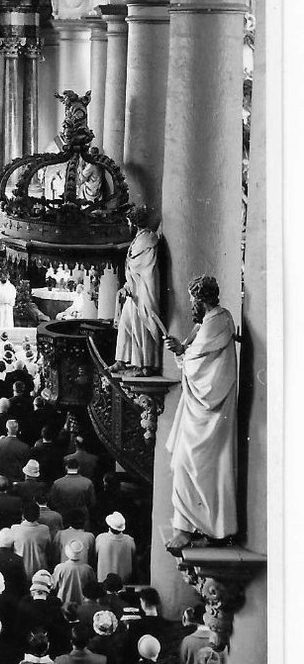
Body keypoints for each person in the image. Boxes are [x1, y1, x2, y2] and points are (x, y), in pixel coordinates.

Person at [164, 274, 238, 549]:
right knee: (187, 466)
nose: (191, 304)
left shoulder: (217, 321)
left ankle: (205, 528)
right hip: (199, 409)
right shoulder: (209, 322)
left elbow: (195, 364)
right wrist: (182, 348)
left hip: (210, 411)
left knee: (195, 466)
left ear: (201, 299)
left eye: (193, 299)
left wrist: (182, 351)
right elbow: (191, 354)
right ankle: (187, 526)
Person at [111, 206, 161, 374]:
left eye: (129, 222)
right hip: (134, 290)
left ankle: (146, 364)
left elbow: (145, 268)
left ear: (134, 222)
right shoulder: (139, 239)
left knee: (140, 327)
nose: (128, 225)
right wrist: (126, 286)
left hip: (143, 291)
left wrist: (132, 285)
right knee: (125, 324)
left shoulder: (148, 240)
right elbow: (133, 269)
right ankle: (121, 361)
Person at [95, 512, 136, 583]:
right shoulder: (130, 541)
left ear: (109, 525)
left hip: (104, 582)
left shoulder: (100, 538)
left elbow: (94, 556)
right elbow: (134, 558)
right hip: (123, 582)